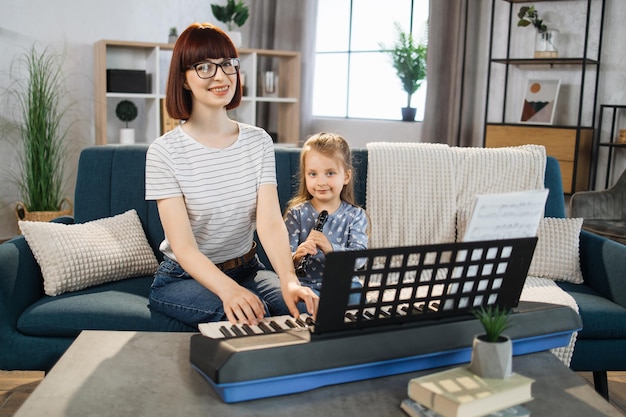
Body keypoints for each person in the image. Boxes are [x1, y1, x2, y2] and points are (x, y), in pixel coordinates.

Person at [145, 23, 318, 328]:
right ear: (183, 79)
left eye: (227, 64)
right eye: (204, 67)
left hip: (248, 269)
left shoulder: (259, 141)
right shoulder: (164, 151)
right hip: (181, 278)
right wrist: (228, 291)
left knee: (309, 308)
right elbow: (184, 247)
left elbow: (268, 222)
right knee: (249, 317)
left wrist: (289, 280)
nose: (221, 76)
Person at [284, 133, 369, 306]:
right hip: (306, 284)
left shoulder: (355, 215)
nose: (321, 181)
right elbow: (283, 256)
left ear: (346, 176)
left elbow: (359, 259)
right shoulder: (296, 214)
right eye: (313, 174)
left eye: (330, 173)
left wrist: (331, 249)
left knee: (355, 301)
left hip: (344, 284)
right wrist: (297, 256)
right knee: (300, 305)